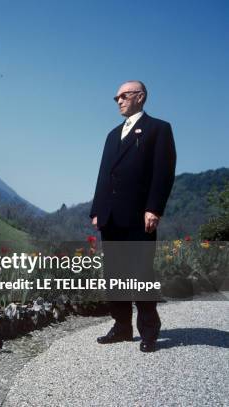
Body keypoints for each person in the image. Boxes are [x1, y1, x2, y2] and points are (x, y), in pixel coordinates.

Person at [90, 80, 176, 353]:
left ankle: (149, 332)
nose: (118, 100)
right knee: (114, 274)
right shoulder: (112, 134)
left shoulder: (159, 129)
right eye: (116, 97)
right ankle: (122, 327)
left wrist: (154, 208)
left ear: (140, 97)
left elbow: (163, 173)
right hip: (111, 216)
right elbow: (104, 174)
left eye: (124, 95)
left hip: (140, 216)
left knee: (140, 273)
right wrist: (97, 209)